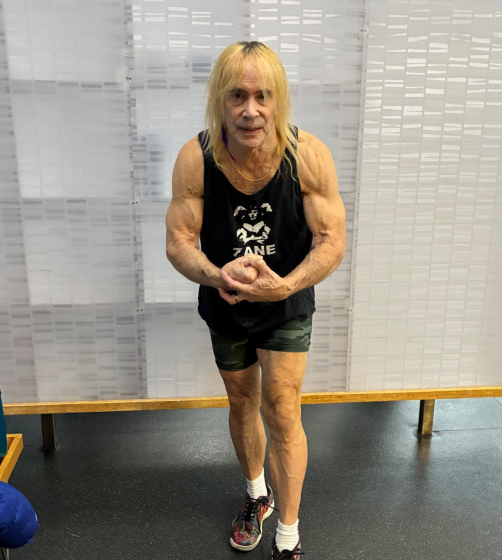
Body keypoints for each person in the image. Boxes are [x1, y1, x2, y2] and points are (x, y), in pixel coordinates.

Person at [165, 40, 345, 560]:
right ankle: (256, 496)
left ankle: (288, 535)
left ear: (278, 98)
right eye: (238, 96)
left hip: (285, 301)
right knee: (242, 401)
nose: (251, 110)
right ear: (220, 99)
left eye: (263, 96)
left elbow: (331, 240)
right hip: (226, 300)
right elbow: (179, 241)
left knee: (282, 409)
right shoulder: (196, 158)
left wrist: (286, 285)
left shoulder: (307, 155)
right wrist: (214, 273)